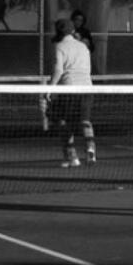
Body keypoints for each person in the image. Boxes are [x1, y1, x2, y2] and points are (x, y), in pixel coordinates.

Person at [45, 18, 96, 168]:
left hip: (69, 90)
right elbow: (88, 69)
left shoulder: (59, 46)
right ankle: (91, 149)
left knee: (64, 122)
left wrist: (50, 88)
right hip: (87, 89)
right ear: (73, 31)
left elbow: (59, 70)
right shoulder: (84, 47)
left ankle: (72, 157)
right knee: (85, 121)